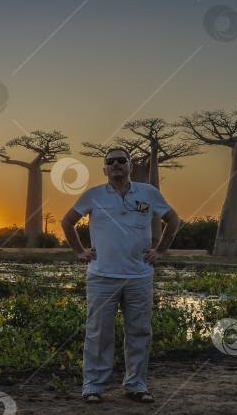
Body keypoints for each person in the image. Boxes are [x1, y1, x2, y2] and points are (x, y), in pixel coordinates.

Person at [61, 147, 180, 404]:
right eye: (110, 162)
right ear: (104, 169)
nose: (115, 164)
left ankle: (136, 385)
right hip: (102, 276)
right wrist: (79, 251)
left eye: (121, 161)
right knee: (98, 332)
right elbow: (67, 221)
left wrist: (160, 251)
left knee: (139, 332)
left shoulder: (149, 193)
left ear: (130, 166)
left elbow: (173, 219)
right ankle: (93, 386)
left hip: (139, 276)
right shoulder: (93, 195)